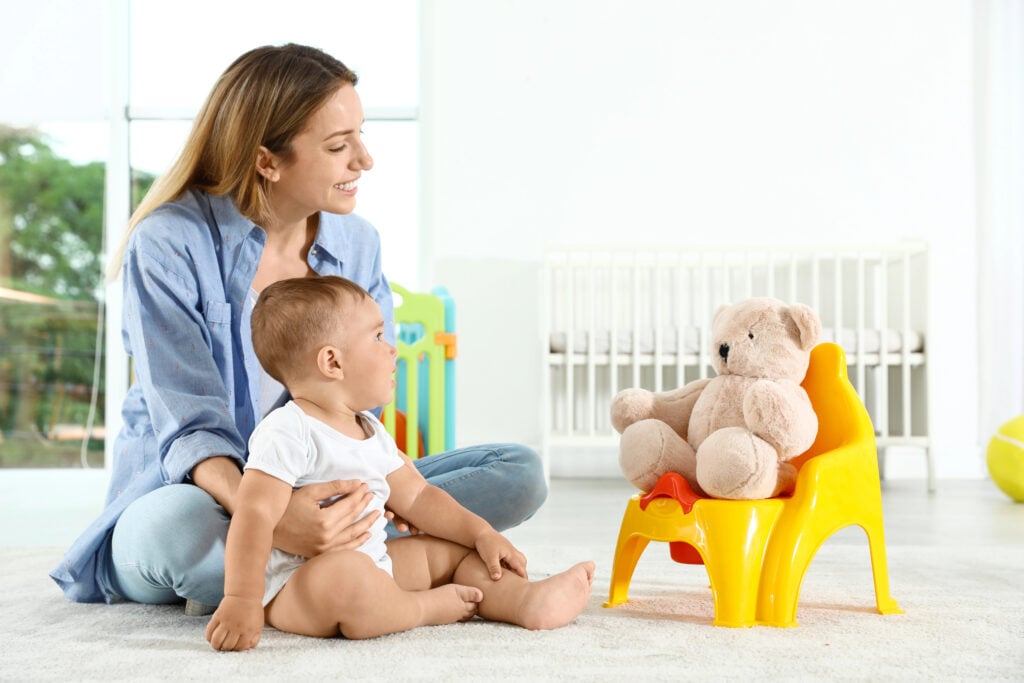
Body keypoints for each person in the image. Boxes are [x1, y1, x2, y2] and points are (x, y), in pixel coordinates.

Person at [50, 43, 547, 609]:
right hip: (204, 495)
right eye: (339, 146)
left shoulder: (357, 243)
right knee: (176, 531)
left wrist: (351, 496)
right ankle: (344, 565)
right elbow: (190, 426)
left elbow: (359, 408)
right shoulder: (168, 243)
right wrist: (273, 514)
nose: (364, 160)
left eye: (360, 136)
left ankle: (320, 563)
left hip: (324, 485)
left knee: (518, 473)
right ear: (267, 160)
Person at [205, 276, 593, 649]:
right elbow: (254, 514)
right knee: (347, 575)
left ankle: (525, 601)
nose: (391, 348)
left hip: (376, 564)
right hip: (301, 586)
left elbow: (419, 496)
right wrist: (242, 598)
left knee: (456, 553)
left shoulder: (370, 429)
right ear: (332, 362)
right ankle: (421, 608)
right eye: (377, 337)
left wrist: (480, 533)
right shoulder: (288, 430)